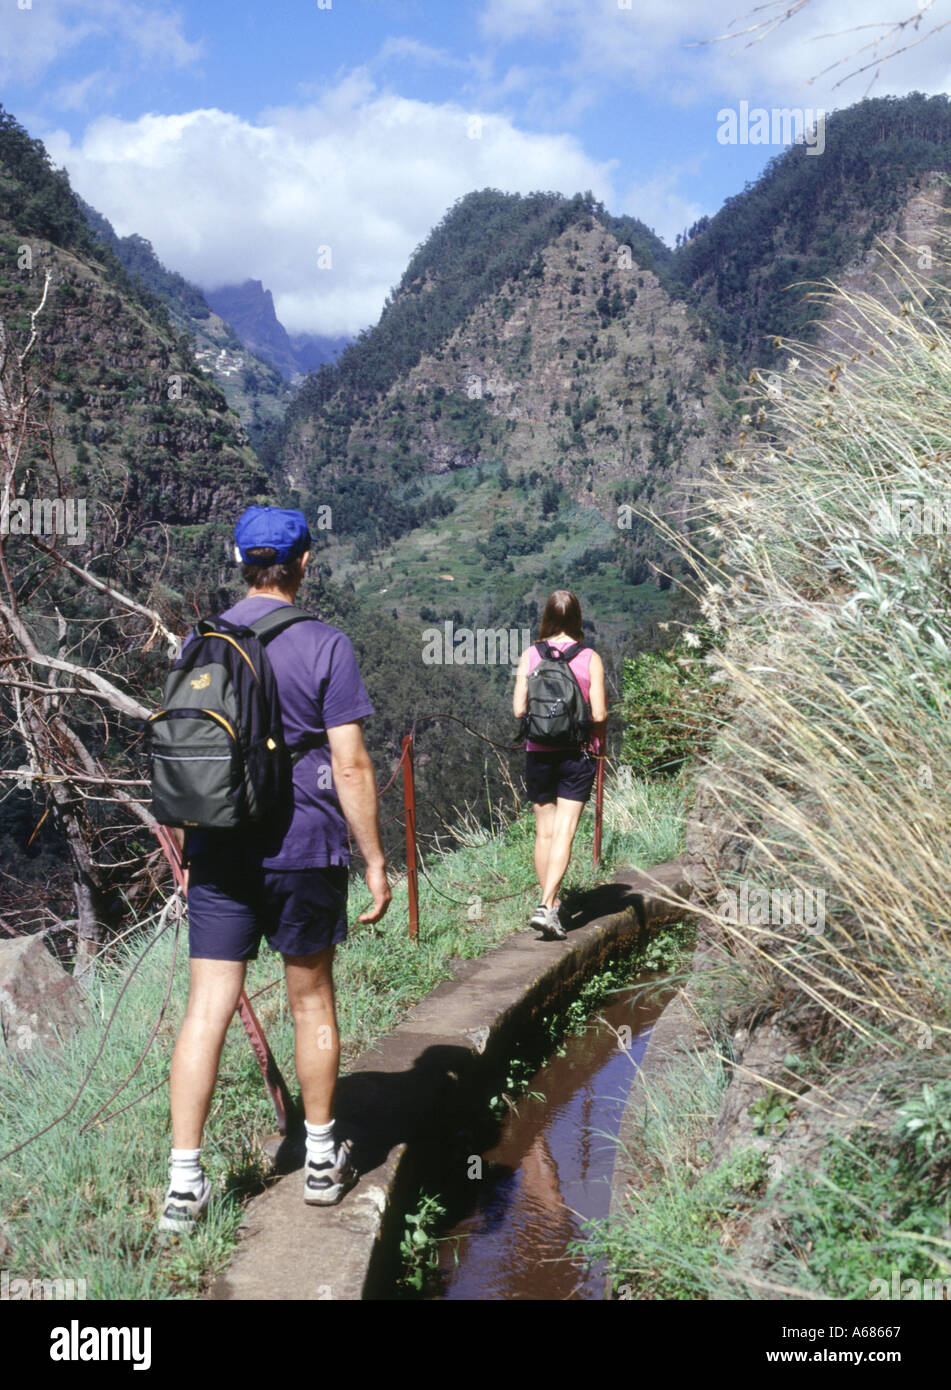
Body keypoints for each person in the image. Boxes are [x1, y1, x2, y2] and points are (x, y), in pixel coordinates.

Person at [159, 506, 391, 1233]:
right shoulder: (325, 644)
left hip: (219, 848)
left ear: (239, 562)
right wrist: (377, 861)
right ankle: (321, 1161)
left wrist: (191, 845)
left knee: (207, 1009)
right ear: (305, 563)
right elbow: (350, 763)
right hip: (303, 846)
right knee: (311, 1000)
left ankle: (184, 1184)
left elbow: (186, 748)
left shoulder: (201, 642)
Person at [513, 591, 607, 941]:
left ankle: (550, 908)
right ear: (578, 618)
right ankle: (545, 904)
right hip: (576, 754)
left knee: (545, 833)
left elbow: (519, 711)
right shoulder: (589, 658)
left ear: (547, 617)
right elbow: (598, 714)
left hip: (538, 752)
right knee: (565, 831)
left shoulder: (531, 655)